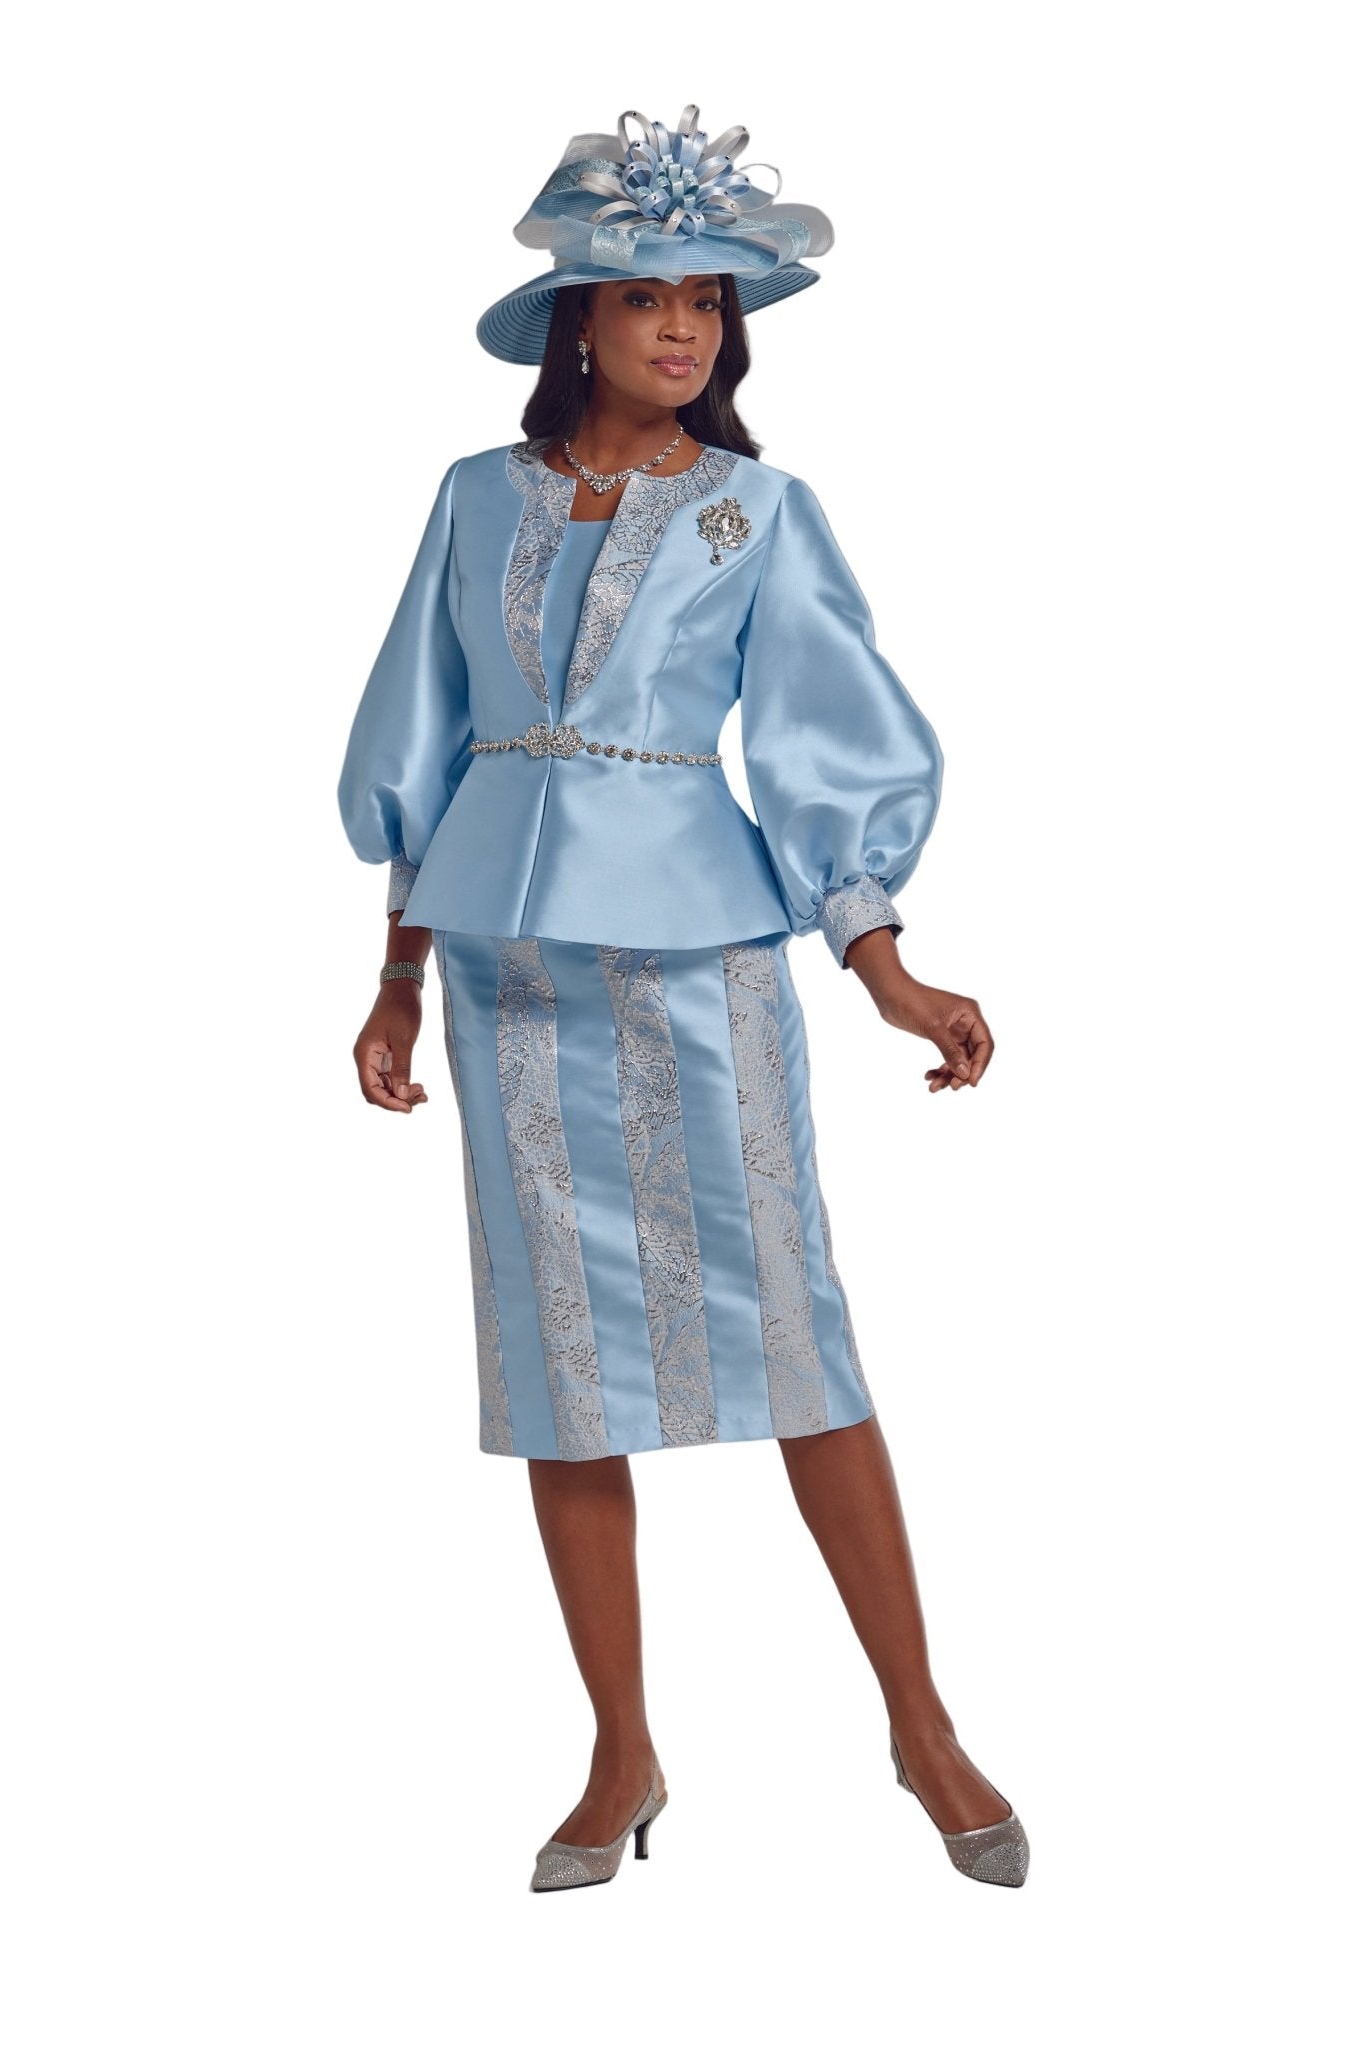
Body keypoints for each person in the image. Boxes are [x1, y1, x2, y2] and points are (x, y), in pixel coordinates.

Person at [337, 105, 1028, 1892]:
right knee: (557, 1362)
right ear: (577, 319)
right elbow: (417, 735)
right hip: (503, 974)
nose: (681, 331)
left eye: (707, 304)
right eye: (647, 298)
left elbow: (822, 742)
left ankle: (921, 1722)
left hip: (702, 965)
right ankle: (619, 1749)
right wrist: (395, 980)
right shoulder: (470, 497)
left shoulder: (757, 512)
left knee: (794, 1336)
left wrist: (883, 963)